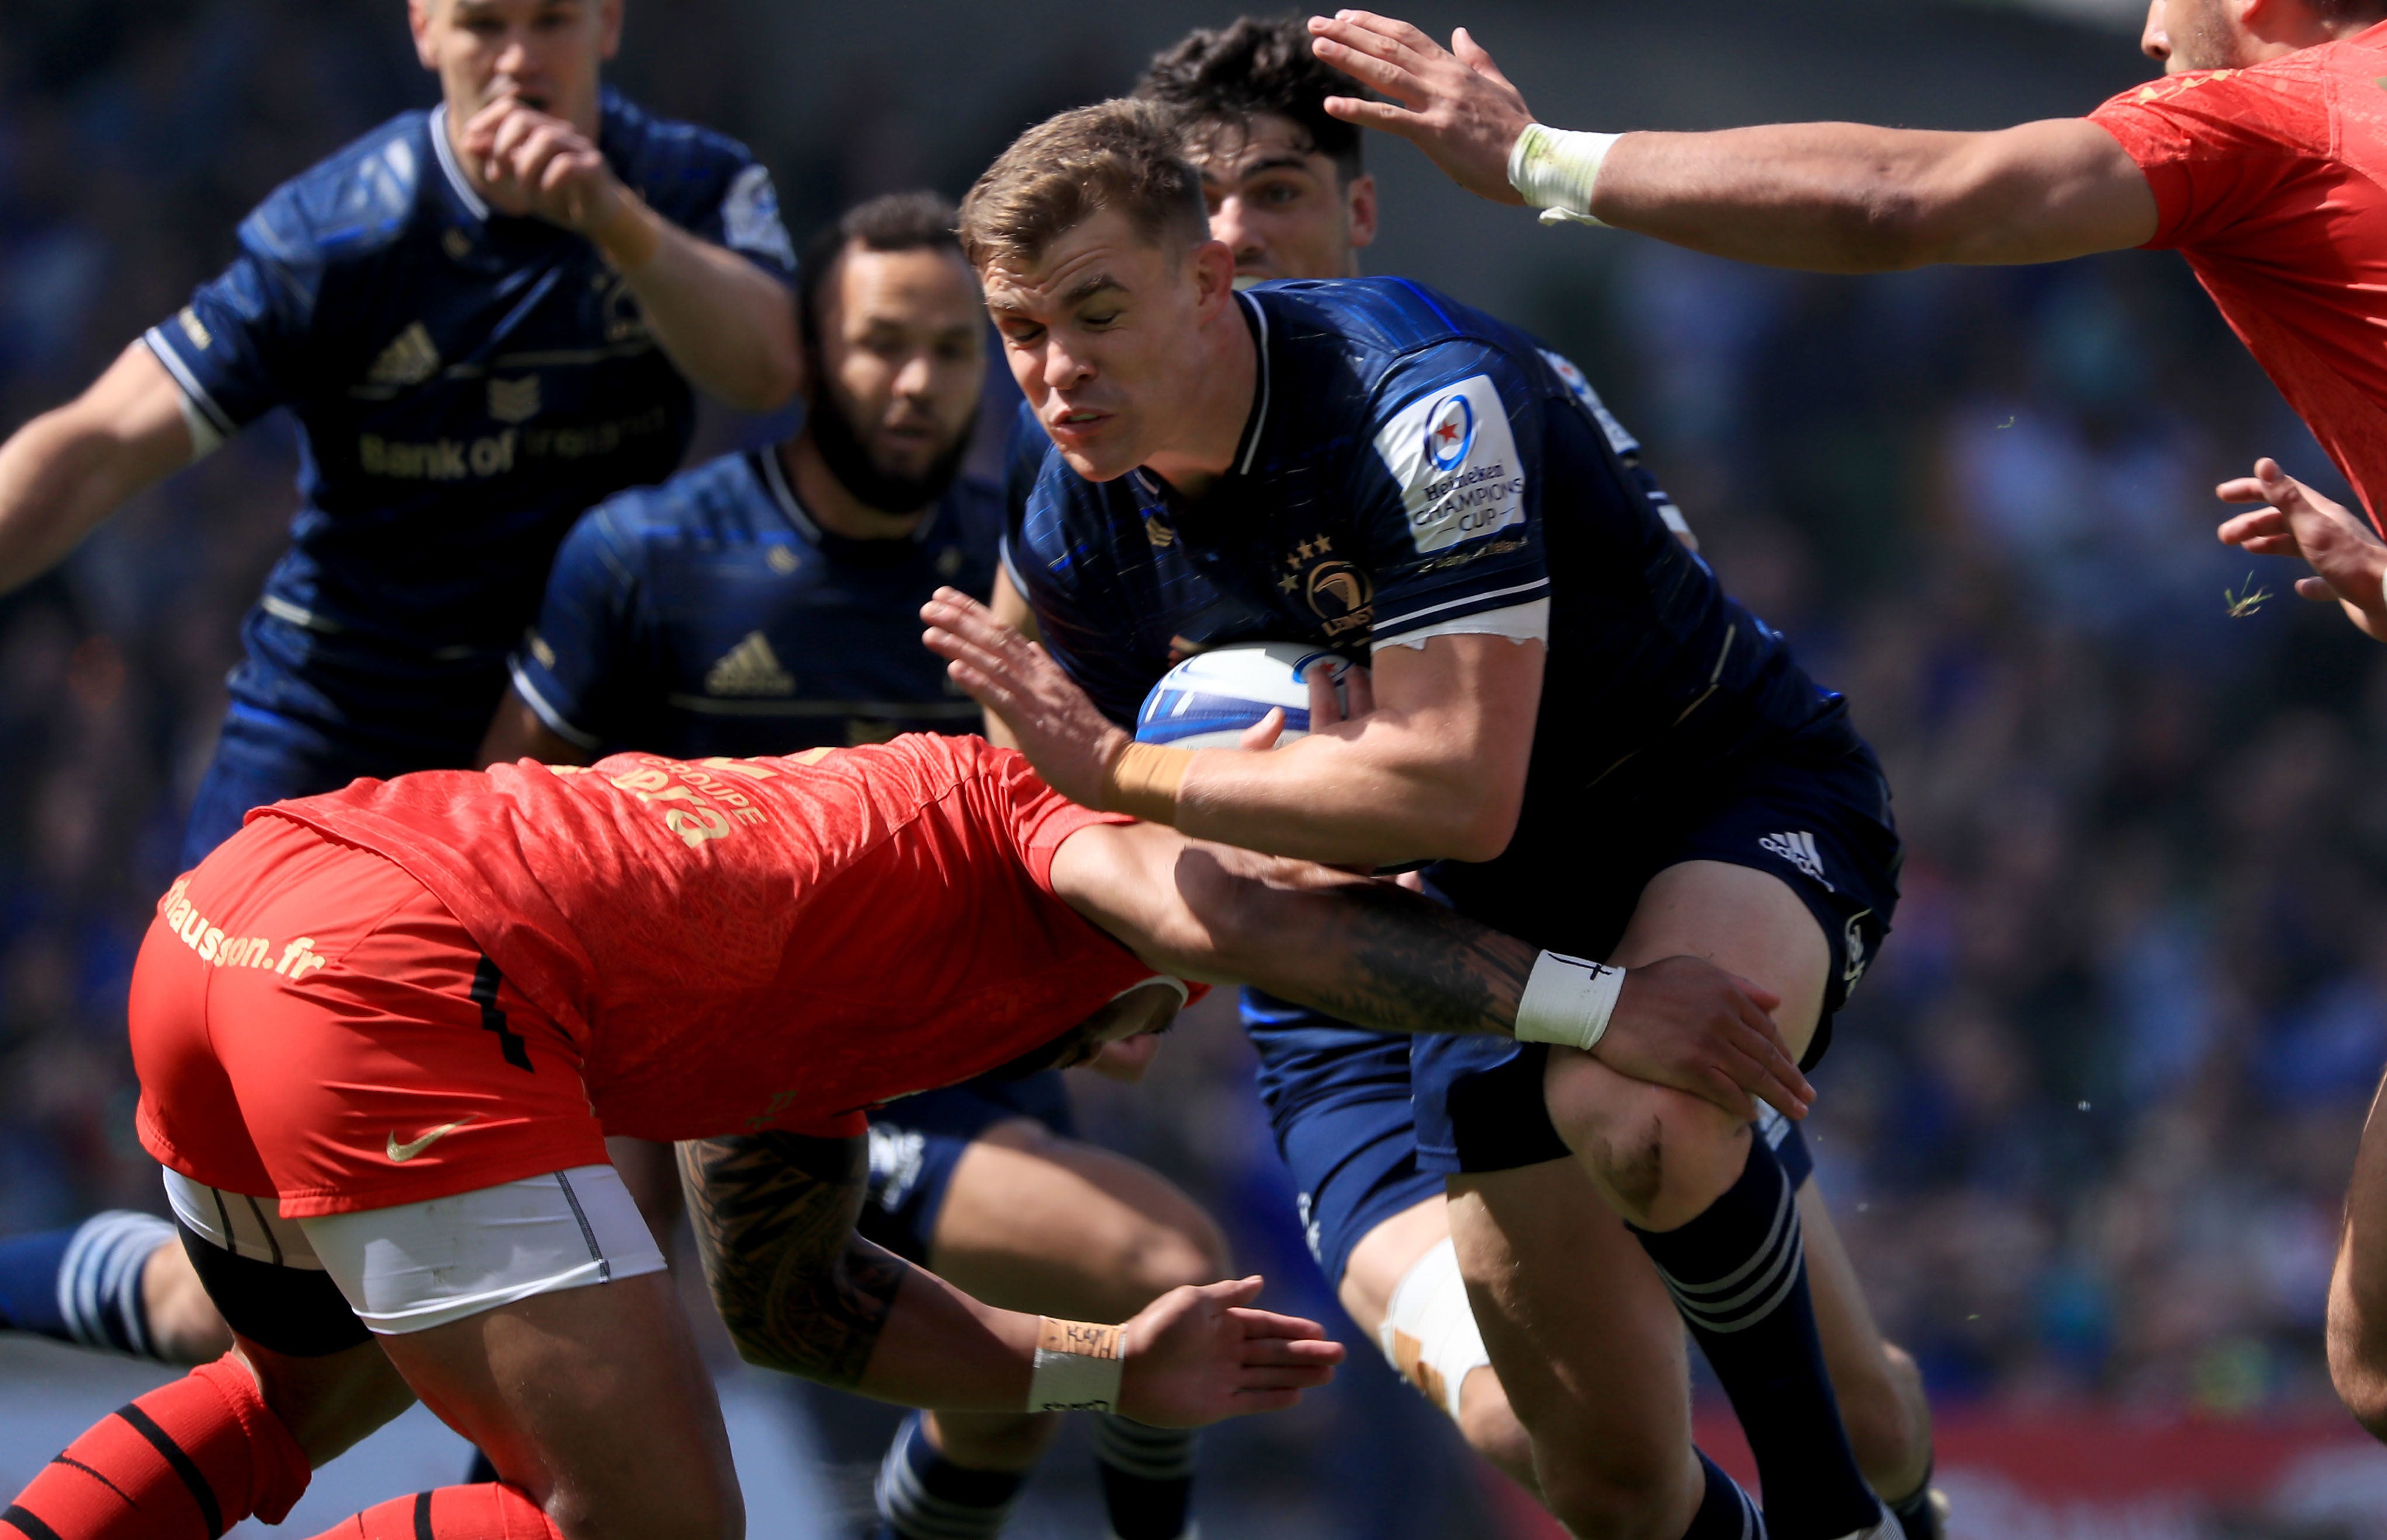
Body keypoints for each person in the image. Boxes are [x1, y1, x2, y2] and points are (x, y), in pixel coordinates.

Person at [1300, 0, 2387, 1442]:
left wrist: (1540, 157)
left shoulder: (2274, 115)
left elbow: (1903, 197)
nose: (2138, 35)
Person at [0, 731, 1808, 1540]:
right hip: (390, 972)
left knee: (308, 1396)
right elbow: (1220, 916)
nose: (1195, 1000)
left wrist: (1098, 1367)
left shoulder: (864, 974)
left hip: (233, 915)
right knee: (653, 1518)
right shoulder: (1062, 823)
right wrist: (1585, 1000)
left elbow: (790, 1303)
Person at [935, 98, 1904, 1540]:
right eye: (1021, 332)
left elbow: (1456, 783)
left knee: (1634, 1115)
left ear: (1206, 281)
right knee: (1602, 1482)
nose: (1058, 371)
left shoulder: (1417, 401)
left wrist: (1137, 779)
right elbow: (1023, 754)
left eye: (1094, 312)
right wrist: (1130, 927)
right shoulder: (1076, 501)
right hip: (1461, 918)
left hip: (1709, 803)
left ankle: (1844, 1518)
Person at [0, 0, 798, 1370]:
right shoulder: (337, 231)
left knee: (610, 1223)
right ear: (422, 28)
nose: (518, 55)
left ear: (607, 23)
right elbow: (94, 444)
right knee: (254, 1309)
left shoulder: (693, 187)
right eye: (483, 20)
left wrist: (614, 226)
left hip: (563, 761)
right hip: (328, 752)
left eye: (551, 19)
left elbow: (766, 360)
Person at [478, 188, 1238, 1540]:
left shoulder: (1037, 555)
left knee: (1014, 1387)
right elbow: (507, 830)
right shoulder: (651, 558)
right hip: (761, 1077)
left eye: (955, 350)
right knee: (1155, 1272)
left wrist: (1120, 983)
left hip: (979, 1063)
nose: (915, 383)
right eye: (879, 344)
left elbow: (1088, 813)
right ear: (809, 355)